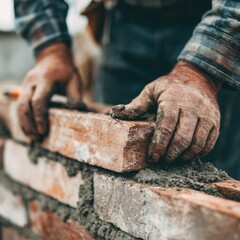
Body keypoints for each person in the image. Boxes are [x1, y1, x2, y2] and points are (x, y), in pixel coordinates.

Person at [14, 0, 240, 177]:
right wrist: (50, 50)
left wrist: (203, 72)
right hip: (122, 25)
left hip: (215, 19)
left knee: (222, 169)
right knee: (109, 163)